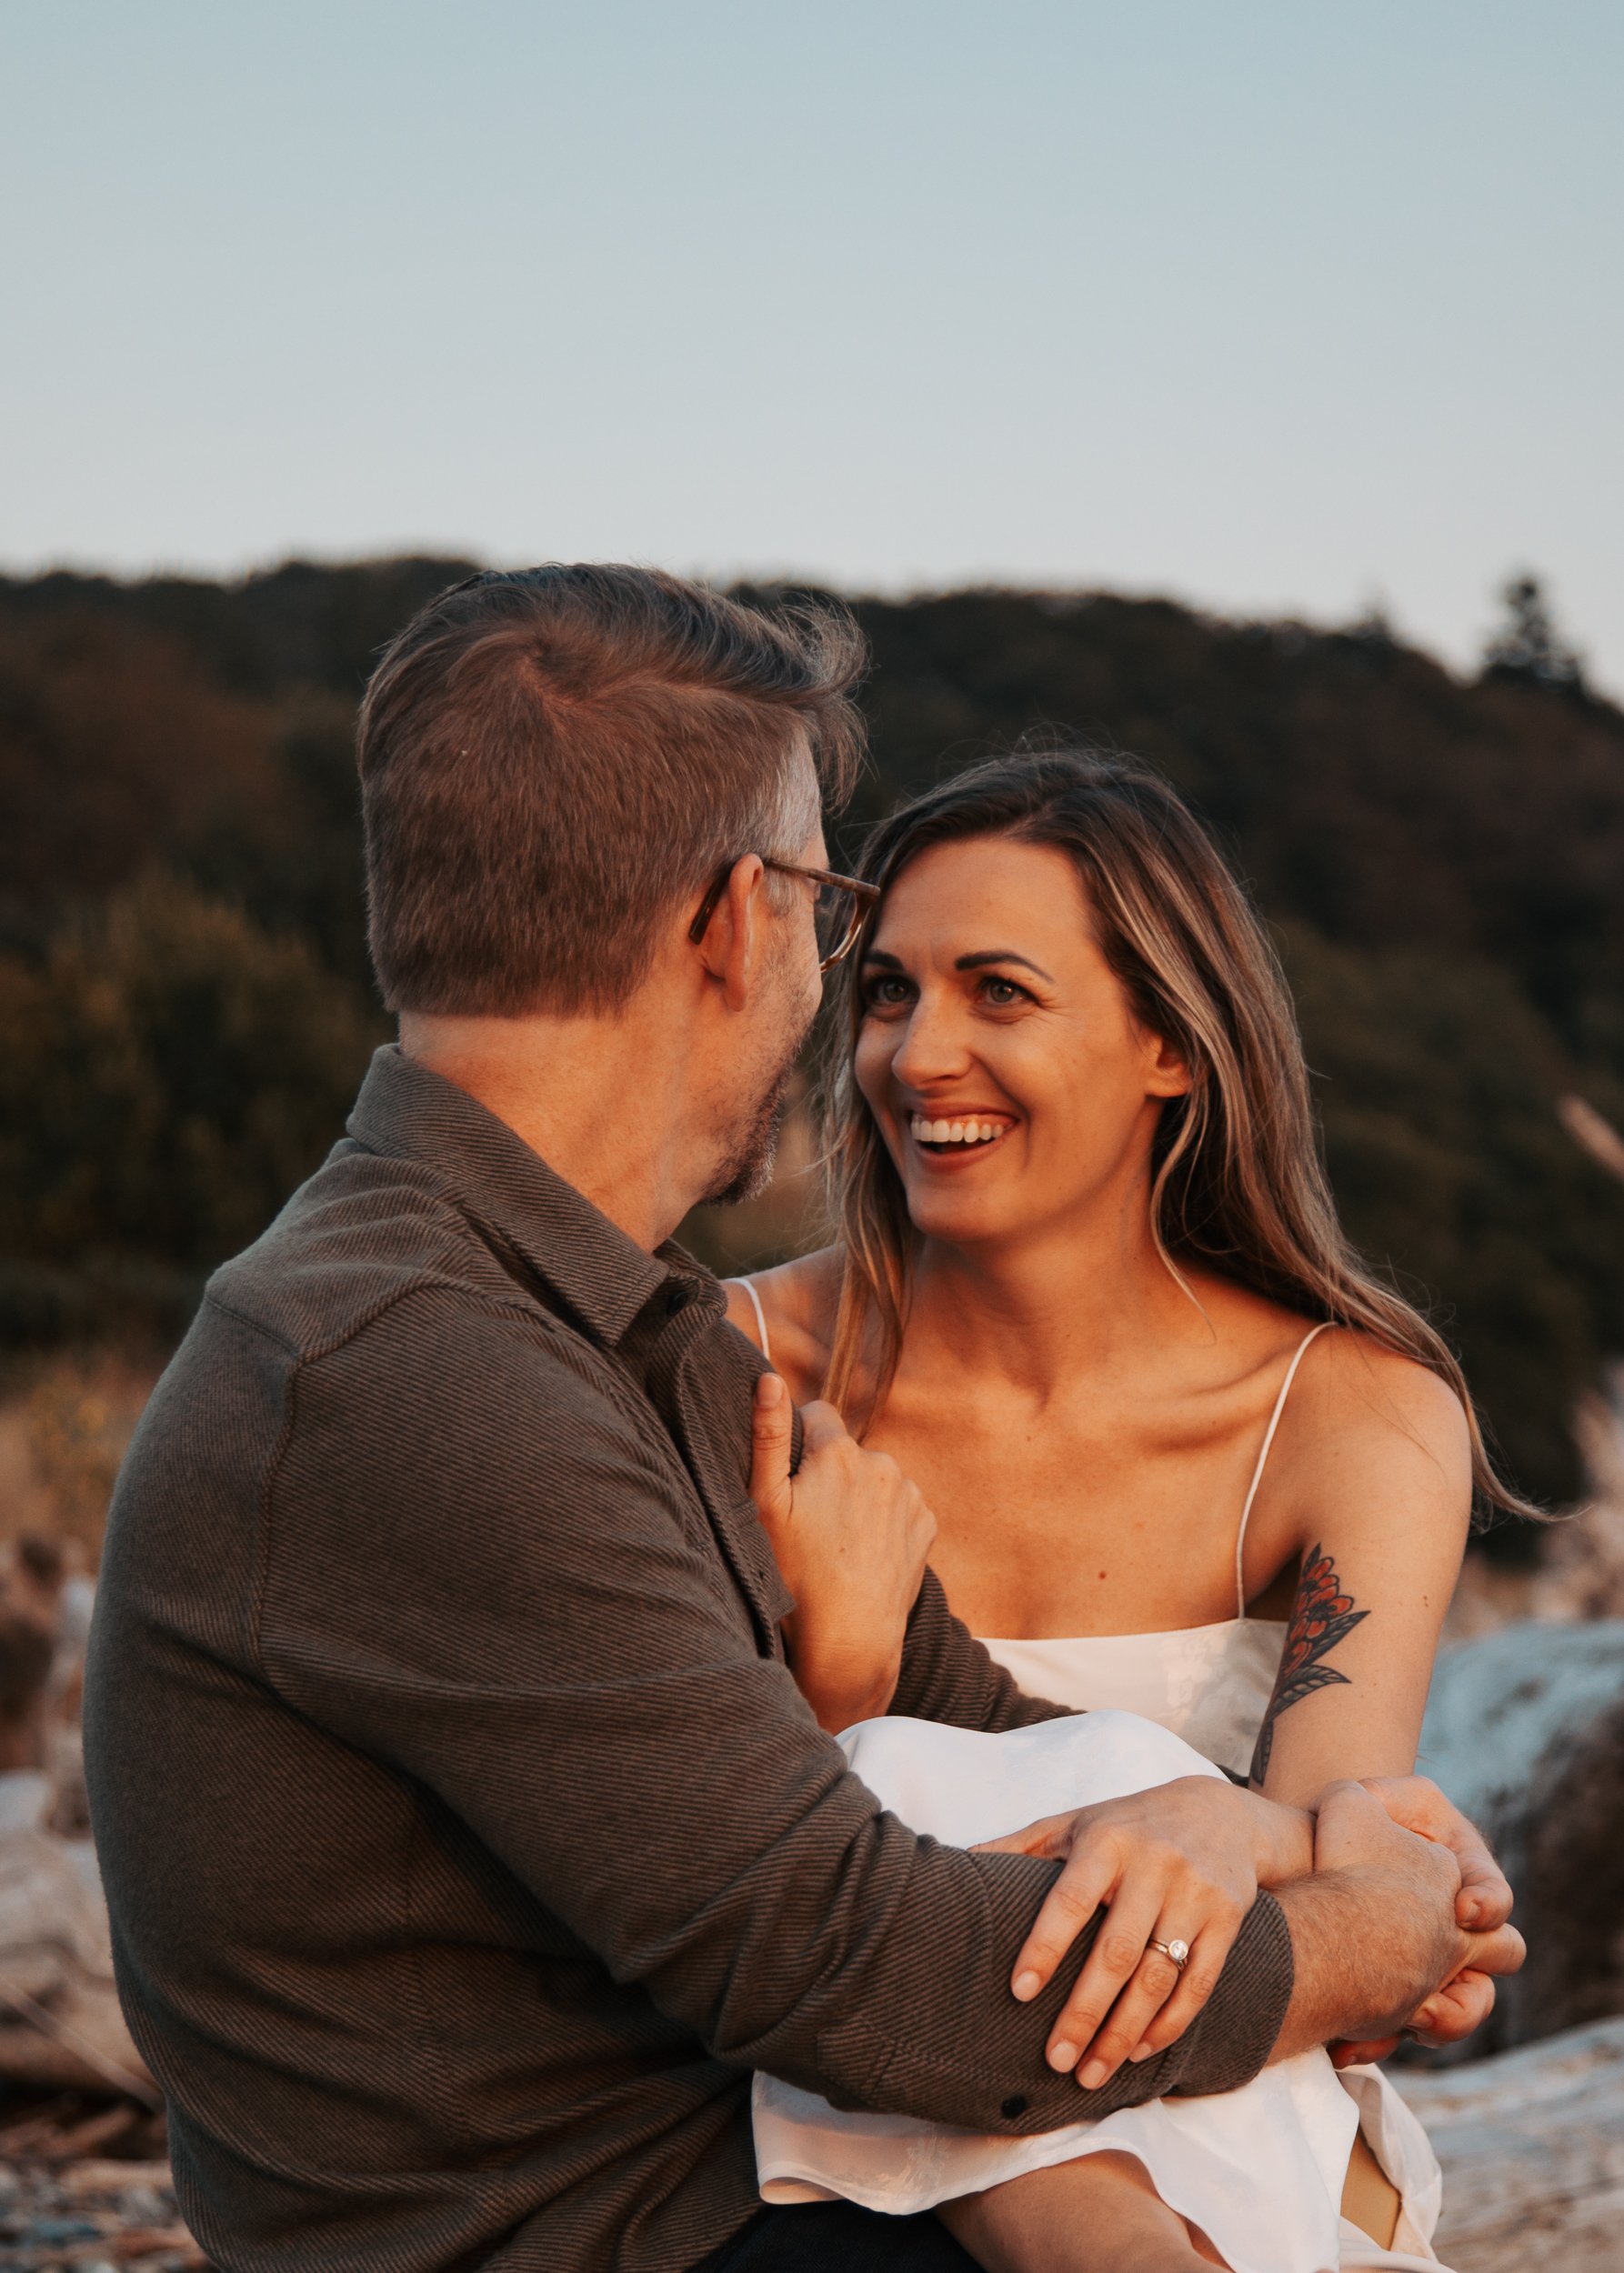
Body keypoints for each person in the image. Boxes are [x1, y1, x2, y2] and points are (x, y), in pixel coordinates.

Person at [84, 571, 1519, 2273]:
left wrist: (1280, 1834)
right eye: (846, 924)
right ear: (731, 921)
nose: (886, 1036)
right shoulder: (416, 1372)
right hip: (603, 2233)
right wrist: (1363, 1936)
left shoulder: (616, 1331)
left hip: (722, 2179)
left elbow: (989, 1727)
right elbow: (873, 1979)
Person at [726, 748, 1534, 2268]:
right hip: (829, 2136)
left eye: (998, 993)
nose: (915, 1053)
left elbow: (1358, 1901)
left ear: (1169, 1043)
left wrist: (1246, 1838)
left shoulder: (1351, 1415)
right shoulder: (739, 1370)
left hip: (1230, 2127)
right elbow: (690, 1858)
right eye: (889, 994)